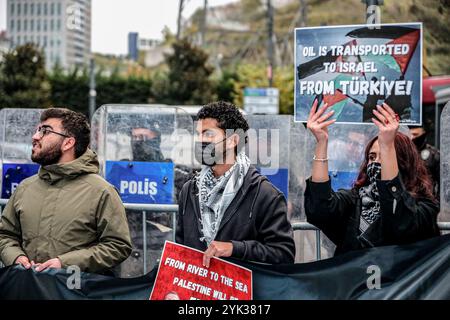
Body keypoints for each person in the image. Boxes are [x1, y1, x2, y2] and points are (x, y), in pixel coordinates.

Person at [0, 108, 132, 274]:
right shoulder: (25, 188)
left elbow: (118, 245)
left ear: (68, 143)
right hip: (27, 288)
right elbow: (5, 235)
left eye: (45, 131)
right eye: (37, 130)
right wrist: (16, 258)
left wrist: (64, 264)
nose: (35, 137)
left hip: (75, 292)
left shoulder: (101, 191)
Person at [304, 101, 440, 255]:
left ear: (403, 162)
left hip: (399, 278)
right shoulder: (355, 199)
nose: (376, 162)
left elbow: (399, 222)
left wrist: (387, 145)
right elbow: (319, 208)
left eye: (385, 156)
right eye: (372, 156)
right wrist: (322, 143)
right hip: (355, 278)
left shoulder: (424, 206)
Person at [176, 101, 295, 267]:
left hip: (243, 291)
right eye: (199, 134)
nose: (201, 140)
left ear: (232, 141)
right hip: (197, 289)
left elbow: (283, 254)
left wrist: (234, 249)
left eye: (208, 134)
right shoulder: (189, 190)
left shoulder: (265, 194)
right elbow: (181, 248)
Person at [409, 125, 440, 199]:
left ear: (423, 134)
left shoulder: (433, 154)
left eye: (415, 134)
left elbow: (442, 181)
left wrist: (437, 202)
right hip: (407, 200)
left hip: (427, 200)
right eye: (410, 135)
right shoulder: (403, 152)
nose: (412, 138)